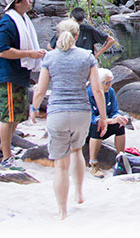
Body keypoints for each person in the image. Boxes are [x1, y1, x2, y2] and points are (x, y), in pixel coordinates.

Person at [30, 18, 107, 220]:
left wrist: (34, 108)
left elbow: (40, 90)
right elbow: (97, 89)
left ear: (58, 34)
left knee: (61, 166)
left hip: (58, 114)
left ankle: (63, 211)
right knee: (77, 152)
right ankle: (79, 193)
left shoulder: (49, 58)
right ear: (76, 36)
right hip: (82, 112)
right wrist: (103, 117)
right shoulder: (87, 56)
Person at [0, 0, 46, 170]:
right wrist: (30, 53)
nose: (30, 1)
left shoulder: (24, 20)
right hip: (7, 74)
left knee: (17, 114)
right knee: (8, 116)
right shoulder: (7, 24)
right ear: (17, 2)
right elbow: (2, 51)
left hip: (20, 73)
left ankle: (1, 149)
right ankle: (6, 156)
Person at [86, 68, 129, 178]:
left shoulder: (110, 92)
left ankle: (120, 159)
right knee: (97, 125)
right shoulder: (87, 93)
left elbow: (114, 111)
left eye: (111, 82)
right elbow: (91, 118)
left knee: (120, 125)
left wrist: (119, 118)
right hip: (88, 128)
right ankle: (93, 163)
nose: (109, 85)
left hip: (106, 123)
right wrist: (110, 120)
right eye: (107, 83)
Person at [49, 7, 116, 59]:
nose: (76, 25)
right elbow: (50, 46)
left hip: (86, 61)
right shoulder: (65, 28)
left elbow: (111, 40)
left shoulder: (88, 29)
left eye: (79, 23)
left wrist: (96, 55)